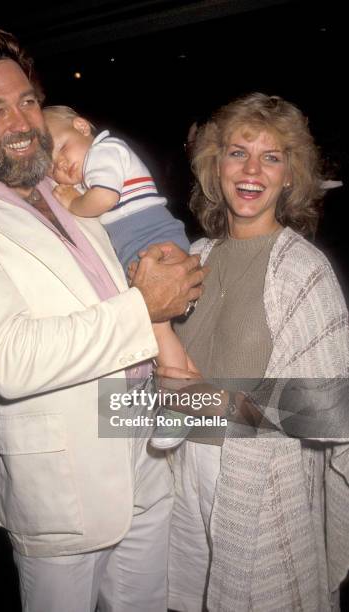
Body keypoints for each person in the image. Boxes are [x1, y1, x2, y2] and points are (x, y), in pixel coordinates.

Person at [0, 28, 207, 612]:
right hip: (65, 491)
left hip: (143, 455)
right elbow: (9, 358)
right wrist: (144, 307)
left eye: (27, 101)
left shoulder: (66, 192)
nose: (23, 121)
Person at [163, 93, 349, 611]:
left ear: (290, 175)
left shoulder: (305, 273)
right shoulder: (193, 259)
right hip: (181, 477)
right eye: (237, 152)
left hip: (264, 487)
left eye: (271, 157)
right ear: (215, 165)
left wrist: (207, 401)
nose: (251, 170)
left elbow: (328, 409)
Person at [43, 105, 198, 449]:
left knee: (157, 329)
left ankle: (179, 408)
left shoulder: (106, 151)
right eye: (51, 164)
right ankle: (191, 391)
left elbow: (104, 199)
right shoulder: (92, 164)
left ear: (82, 126)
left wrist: (73, 202)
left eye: (63, 148)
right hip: (145, 248)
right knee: (161, 333)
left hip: (156, 245)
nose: (60, 165)